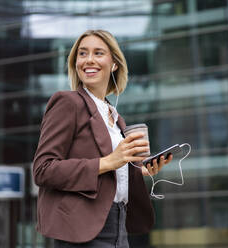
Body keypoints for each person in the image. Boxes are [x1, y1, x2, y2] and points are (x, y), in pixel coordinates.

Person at [32, 29, 172, 248]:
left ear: (114, 64)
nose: (89, 60)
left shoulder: (115, 118)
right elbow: (43, 169)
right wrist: (108, 162)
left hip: (119, 225)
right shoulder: (68, 103)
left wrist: (138, 170)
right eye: (82, 53)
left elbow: (110, 172)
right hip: (83, 229)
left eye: (98, 53)